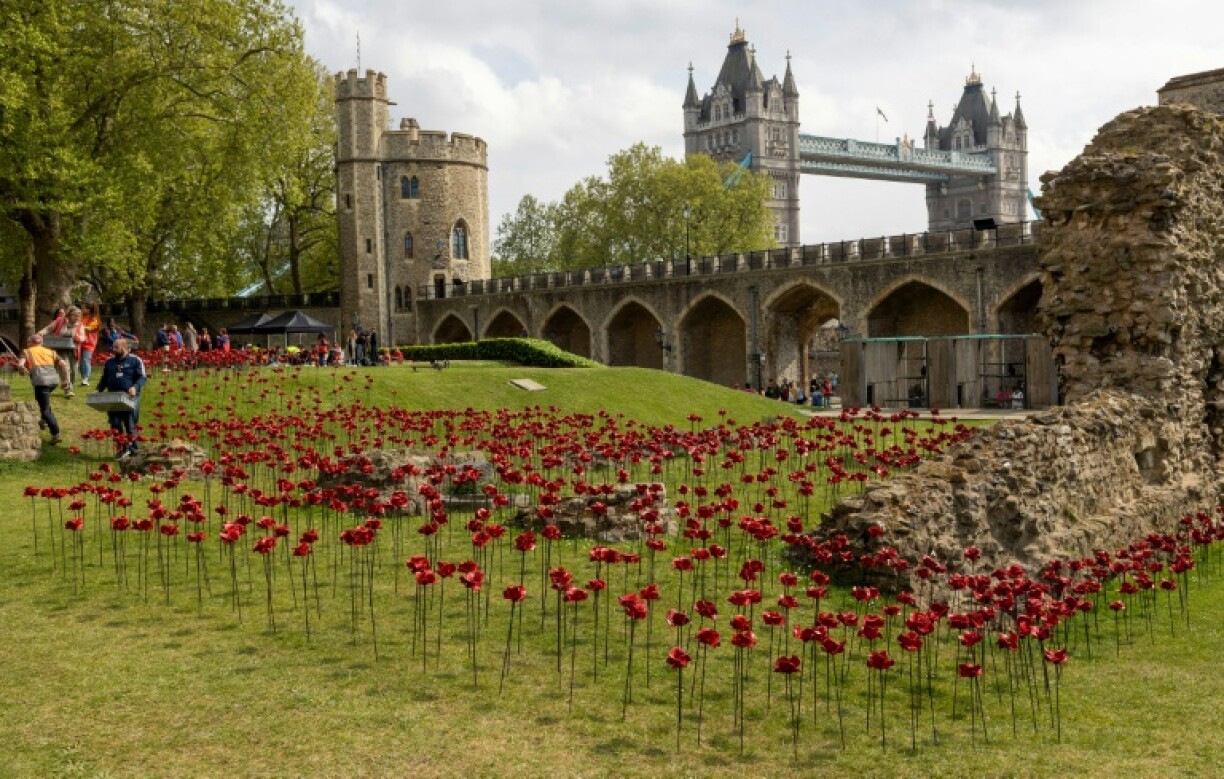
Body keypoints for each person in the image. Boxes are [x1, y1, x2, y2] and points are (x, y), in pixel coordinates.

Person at [96, 338, 147, 460]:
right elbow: (105, 378)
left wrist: (135, 387)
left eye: (116, 347)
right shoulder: (109, 362)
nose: (113, 350)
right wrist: (98, 390)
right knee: (115, 424)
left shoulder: (135, 361)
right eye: (113, 347)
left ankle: (134, 451)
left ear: (124, 347)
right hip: (113, 398)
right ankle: (122, 448)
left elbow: (142, 377)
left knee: (130, 424)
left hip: (130, 397)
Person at [18, 333, 69, 446]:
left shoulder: (27, 351)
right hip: (53, 382)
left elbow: (21, 365)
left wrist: (21, 370)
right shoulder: (51, 352)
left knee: (45, 408)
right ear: (41, 343)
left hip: (41, 383)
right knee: (41, 401)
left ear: (30, 342)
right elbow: (64, 365)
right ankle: (43, 420)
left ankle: (56, 433)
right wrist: (65, 380)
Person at [79, 302, 101, 386]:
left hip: (89, 342)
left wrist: (79, 326)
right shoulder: (81, 317)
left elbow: (89, 328)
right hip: (80, 341)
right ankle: (83, 377)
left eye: (83, 308)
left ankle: (86, 378)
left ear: (89, 309)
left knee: (86, 359)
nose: (82, 310)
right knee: (81, 361)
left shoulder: (94, 319)